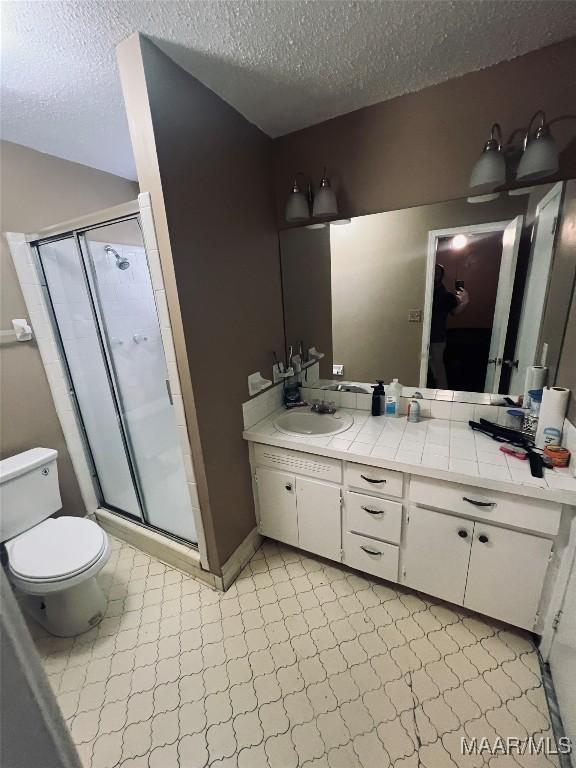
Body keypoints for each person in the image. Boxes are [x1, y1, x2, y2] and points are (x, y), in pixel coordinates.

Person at [429, 264, 469, 389]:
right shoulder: (424, 291)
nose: (435, 274)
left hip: (437, 338)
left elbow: (454, 312)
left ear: (441, 276)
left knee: (437, 368)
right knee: (427, 367)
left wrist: (465, 302)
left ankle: (442, 392)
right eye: (433, 271)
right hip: (422, 336)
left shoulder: (445, 295)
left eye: (437, 272)